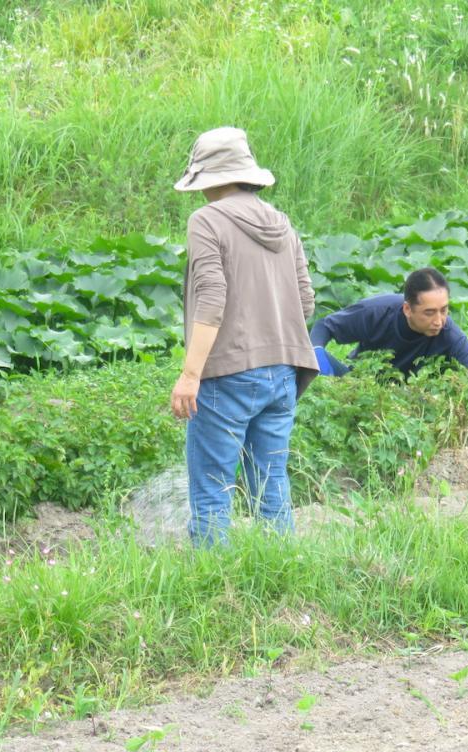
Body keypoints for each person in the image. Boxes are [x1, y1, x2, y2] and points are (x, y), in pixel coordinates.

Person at [169, 126, 318, 547]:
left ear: (208, 178)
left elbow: (212, 297)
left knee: (212, 489)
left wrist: (190, 374)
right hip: (283, 374)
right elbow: (306, 302)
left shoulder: (206, 220)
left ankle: (214, 589)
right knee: (271, 487)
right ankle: (281, 575)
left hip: (227, 374)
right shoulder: (281, 223)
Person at [309, 268, 468, 403]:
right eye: (429, 312)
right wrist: (316, 355)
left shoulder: (449, 335)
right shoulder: (378, 312)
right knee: (306, 358)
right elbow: (324, 326)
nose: (439, 321)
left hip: (404, 403)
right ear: (407, 309)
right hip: (354, 385)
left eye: (444, 310)